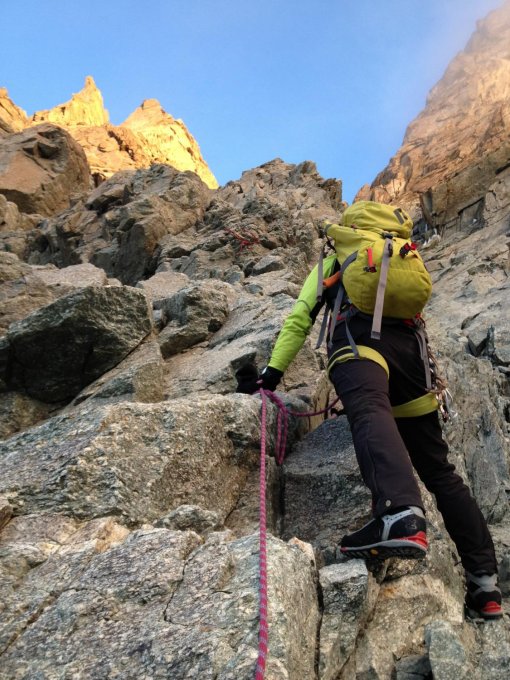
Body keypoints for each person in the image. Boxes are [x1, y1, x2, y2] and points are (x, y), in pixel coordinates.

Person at [236, 200, 503, 621]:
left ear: (350, 225)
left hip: (360, 343)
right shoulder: (400, 251)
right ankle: (485, 585)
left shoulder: (342, 251)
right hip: (413, 360)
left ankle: (399, 514)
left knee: (370, 410)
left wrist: (269, 378)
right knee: (439, 470)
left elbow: (301, 317)